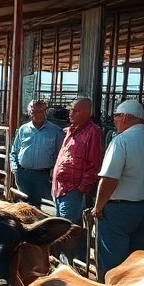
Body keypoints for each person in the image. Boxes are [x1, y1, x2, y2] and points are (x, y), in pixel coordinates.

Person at [85, 99, 144, 280]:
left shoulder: (120, 142)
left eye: (116, 116)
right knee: (134, 260)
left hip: (119, 209)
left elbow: (109, 179)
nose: (114, 120)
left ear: (126, 117)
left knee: (112, 264)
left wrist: (98, 207)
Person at [51, 97, 103, 230]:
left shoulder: (93, 132)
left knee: (69, 229)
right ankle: (63, 251)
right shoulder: (71, 130)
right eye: (71, 110)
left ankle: (73, 251)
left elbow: (94, 164)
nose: (70, 113)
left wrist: (81, 188)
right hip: (60, 188)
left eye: (75, 111)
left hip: (72, 189)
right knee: (60, 226)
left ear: (87, 113)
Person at [9, 98, 63, 208]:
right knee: (23, 207)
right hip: (23, 174)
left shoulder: (55, 131)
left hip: (43, 176)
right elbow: (14, 152)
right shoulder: (23, 129)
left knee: (42, 208)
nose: (38, 114)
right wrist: (15, 170)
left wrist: (54, 174)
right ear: (29, 113)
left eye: (41, 111)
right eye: (34, 112)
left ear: (45, 112)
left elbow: (60, 155)